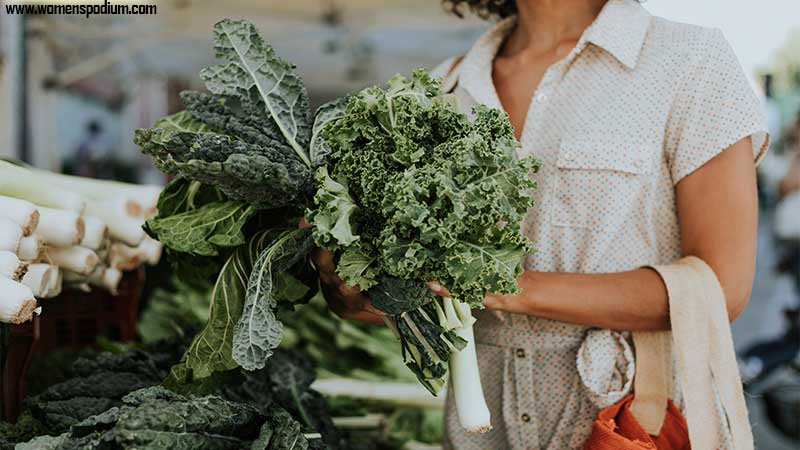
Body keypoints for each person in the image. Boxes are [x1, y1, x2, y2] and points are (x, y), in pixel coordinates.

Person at [312, 0, 769, 448]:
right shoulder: (441, 87)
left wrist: (503, 286)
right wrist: (361, 287)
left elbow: (720, 287)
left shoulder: (688, 60)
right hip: (479, 436)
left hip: (633, 427)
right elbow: (408, 288)